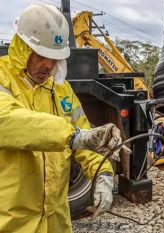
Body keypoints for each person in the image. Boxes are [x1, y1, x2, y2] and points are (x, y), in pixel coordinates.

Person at [0, 4, 127, 233]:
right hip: (11, 222)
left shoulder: (62, 90)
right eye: (42, 55)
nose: (48, 65)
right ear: (23, 47)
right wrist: (72, 136)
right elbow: (7, 120)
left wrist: (104, 174)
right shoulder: (2, 79)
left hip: (56, 220)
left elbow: (85, 136)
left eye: (54, 57)